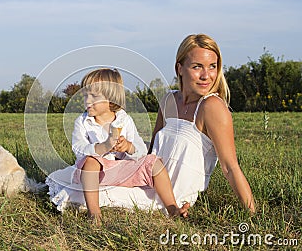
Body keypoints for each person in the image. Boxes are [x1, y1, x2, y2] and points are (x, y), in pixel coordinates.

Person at [46, 68, 189, 224]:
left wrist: (128, 147)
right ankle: (94, 213)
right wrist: (102, 147)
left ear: (111, 98)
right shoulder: (83, 122)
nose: (87, 101)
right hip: (94, 173)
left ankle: (172, 208)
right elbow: (78, 149)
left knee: (154, 162)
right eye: (85, 95)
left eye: (93, 96)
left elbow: (141, 150)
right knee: (91, 162)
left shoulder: (124, 120)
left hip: (121, 170)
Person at [149, 33, 255, 213]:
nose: (206, 75)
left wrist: (253, 214)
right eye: (197, 67)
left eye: (212, 67)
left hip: (173, 200)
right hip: (147, 183)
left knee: (92, 195)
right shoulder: (169, 100)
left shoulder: (211, 107)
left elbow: (230, 167)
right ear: (180, 68)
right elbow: (151, 153)